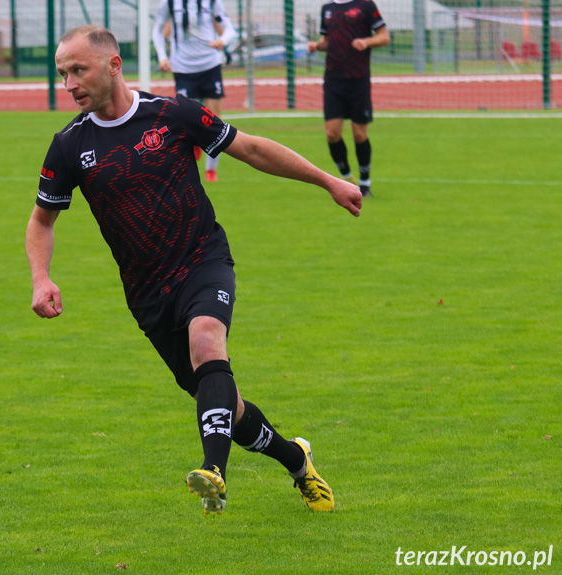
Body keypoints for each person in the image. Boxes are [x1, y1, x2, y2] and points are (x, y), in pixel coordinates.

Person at [27, 25, 361, 515]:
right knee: (228, 407)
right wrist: (41, 276)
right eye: (62, 74)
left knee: (208, 341)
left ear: (113, 65)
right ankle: (296, 459)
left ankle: (214, 474)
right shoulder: (69, 146)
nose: (69, 83)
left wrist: (327, 180)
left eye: (78, 70)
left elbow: (250, 148)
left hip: (203, 259)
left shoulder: (174, 114)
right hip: (146, 293)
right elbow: (41, 220)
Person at [308, 0, 389, 197]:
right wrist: (317, 46)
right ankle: (346, 178)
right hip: (333, 80)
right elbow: (328, 41)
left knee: (359, 135)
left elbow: (384, 37)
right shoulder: (327, 9)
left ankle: (365, 182)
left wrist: (366, 41)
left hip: (358, 79)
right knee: (332, 134)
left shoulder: (366, 5)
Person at [152, 0, 237, 182]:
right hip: (183, 68)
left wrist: (223, 40)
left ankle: (211, 170)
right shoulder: (168, 3)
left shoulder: (213, 2)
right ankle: (190, 158)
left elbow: (229, 29)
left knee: (215, 119)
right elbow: (158, 31)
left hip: (210, 65)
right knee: (183, 119)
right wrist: (162, 56)